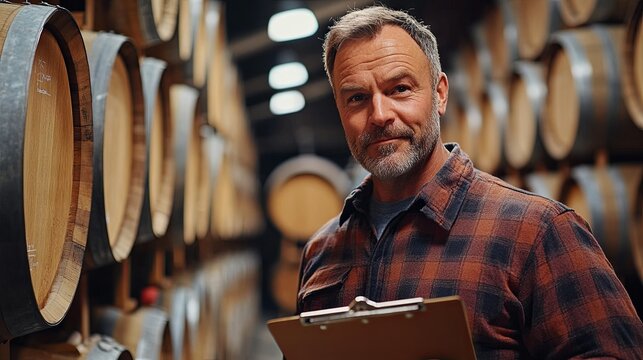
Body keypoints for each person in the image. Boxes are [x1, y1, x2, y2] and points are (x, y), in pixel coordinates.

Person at [296, 5, 643, 358]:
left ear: (440, 94)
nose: (380, 115)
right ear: (340, 110)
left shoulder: (536, 231)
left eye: (399, 89)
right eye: (357, 98)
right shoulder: (323, 250)